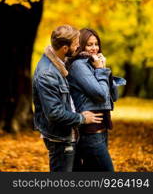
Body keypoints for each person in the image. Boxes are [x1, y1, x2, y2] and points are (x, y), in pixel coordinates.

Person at [32, 25, 102, 172]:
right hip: (59, 138)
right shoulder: (48, 74)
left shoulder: (58, 64)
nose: (78, 47)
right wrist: (82, 118)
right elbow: (54, 113)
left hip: (67, 134)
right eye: (76, 44)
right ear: (65, 48)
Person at [67, 28, 126, 172]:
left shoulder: (94, 64)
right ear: (81, 46)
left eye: (96, 44)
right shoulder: (79, 66)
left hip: (102, 130)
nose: (94, 48)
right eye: (89, 44)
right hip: (90, 133)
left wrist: (103, 68)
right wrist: (101, 70)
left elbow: (114, 97)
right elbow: (100, 94)